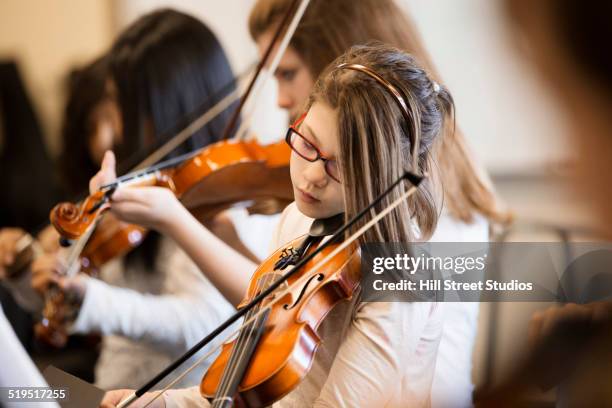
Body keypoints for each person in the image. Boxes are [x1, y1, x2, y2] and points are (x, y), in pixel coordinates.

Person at [98, 42, 454, 407]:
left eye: (341, 164)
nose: (313, 175)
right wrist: (156, 403)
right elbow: (250, 395)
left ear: (383, 176)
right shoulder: (299, 220)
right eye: (308, 143)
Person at [247, 1, 510, 406]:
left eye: (288, 73)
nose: (282, 99)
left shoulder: (406, 258)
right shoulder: (304, 219)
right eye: (308, 144)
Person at [1, 9, 264, 390]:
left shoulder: (231, 203)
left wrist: (93, 301)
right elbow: (60, 302)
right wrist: (24, 274)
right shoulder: (145, 183)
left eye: (123, 106)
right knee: (16, 390)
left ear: (167, 105)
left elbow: (204, 326)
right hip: (106, 393)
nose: (116, 128)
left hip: (174, 400)